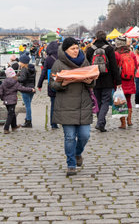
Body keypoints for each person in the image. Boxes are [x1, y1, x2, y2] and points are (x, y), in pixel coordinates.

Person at [49, 37, 95, 177]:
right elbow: (52, 84)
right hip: (66, 105)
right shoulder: (58, 64)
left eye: (77, 48)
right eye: (73, 49)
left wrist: (89, 81)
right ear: (66, 50)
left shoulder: (84, 61)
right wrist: (62, 84)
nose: (76, 51)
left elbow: (92, 84)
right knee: (69, 137)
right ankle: (71, 164)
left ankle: (77, 153)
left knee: (84, 135)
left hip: (83, 104)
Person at [85, 31, 121, 132]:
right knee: (105, 101)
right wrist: (118, 81)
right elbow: (114, 66)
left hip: (94, 79)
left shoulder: (90, 49)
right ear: (105, 37)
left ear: (96, 37)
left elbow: (86, 65)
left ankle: (101, 123)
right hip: (108, 79)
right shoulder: (109, 49)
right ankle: (101, 122)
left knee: (98, 101)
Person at [0, 67, 35, 134]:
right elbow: (22, 89)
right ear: (13, 75)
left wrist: (2, 98)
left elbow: (0, 92)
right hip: (12, 101)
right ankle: (6, 128)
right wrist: (31, 89)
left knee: (12, 113)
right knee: (10, 114)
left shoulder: (3, 83)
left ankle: (14, 126)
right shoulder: (15, 83)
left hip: (6, 101)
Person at [114, 36, 137, 129]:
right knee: (128, 100)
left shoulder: (116, 54)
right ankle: (129, 120)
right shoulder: (131, 54)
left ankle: (123, 123)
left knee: (120, 102)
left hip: (120, 81)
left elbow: (114, 68)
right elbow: (136, 66)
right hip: (130, 80)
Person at [37, 41, 59, 129]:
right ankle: (62, 120)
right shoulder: (62, 57)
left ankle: (53, 123)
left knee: (53, 104)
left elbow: (43, 73)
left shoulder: (48, 59)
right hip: (62, 83)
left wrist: (39, 84)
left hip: (52, 84)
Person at [18, 54, 36, 128]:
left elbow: (23, 79)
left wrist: (16, 79)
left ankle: (29, 121)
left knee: (27, 106)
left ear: (23, 62)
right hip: (32, 89)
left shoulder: (24, 69)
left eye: (20, 61)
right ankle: (27, 119)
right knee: (28, 105)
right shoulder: (32, 69)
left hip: (25, 89)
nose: (19, 62)